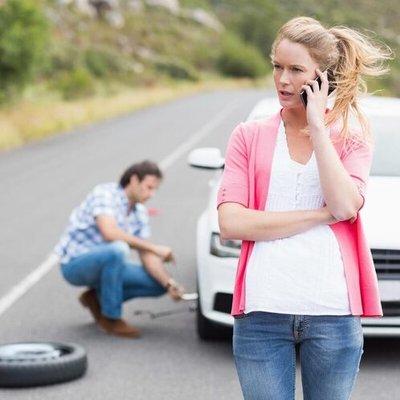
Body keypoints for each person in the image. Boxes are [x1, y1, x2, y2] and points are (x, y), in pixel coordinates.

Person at [217, 17, 392, 400]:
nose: (282, 79)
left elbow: (344, 203)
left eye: (296, 70)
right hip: (262, 311)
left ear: (321, 78)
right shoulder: (248, 135)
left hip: (333, 311)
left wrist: (317, 123)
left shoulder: (351, 136)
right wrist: (318, 216)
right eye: (277, 66)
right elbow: (231, 222)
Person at [54, 160, 185, 339]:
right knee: (118, 249)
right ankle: (111, 318)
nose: (152, 194)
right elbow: (109, 232)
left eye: (155, 189)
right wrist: (155, 248)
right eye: (148, 187)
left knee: (158, 283)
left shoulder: (139, 212)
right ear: (133, 180)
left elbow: (146, 254)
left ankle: (96, 298)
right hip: (75, 265)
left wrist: (169, 284)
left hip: (109, 263)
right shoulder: (105, 193)